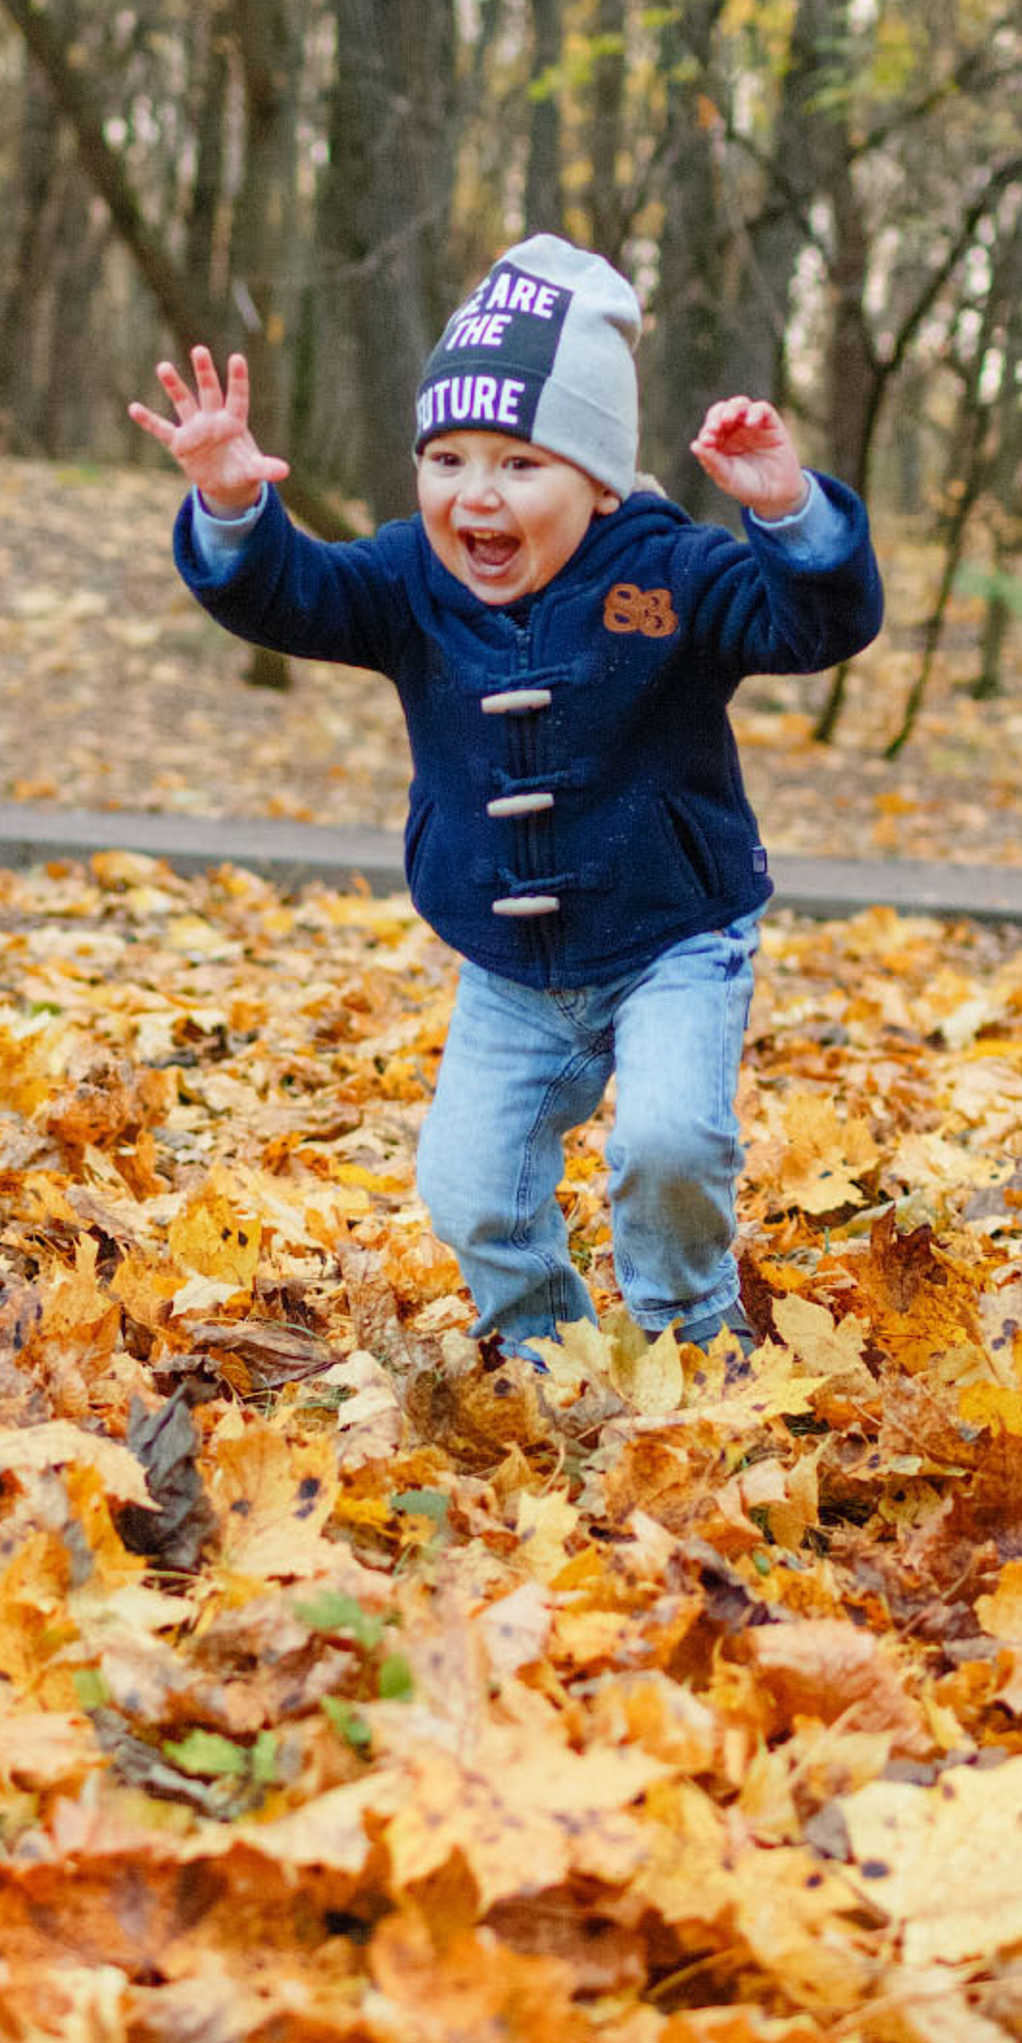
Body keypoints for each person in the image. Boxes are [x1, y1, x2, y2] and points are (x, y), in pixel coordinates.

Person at [128, 234, 883, 1364]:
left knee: (670, 1142)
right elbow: (292, 596)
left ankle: (691, 1330)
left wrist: (787, 516)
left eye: (520, 466)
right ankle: (546, 1346)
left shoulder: (667, 573)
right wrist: (233, 504)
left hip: (671, 933)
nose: (475, 495)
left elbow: (810, 625)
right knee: (469, 1186)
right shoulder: (408, 582)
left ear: (597, 478)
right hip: (507, 962)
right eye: (446, 459)